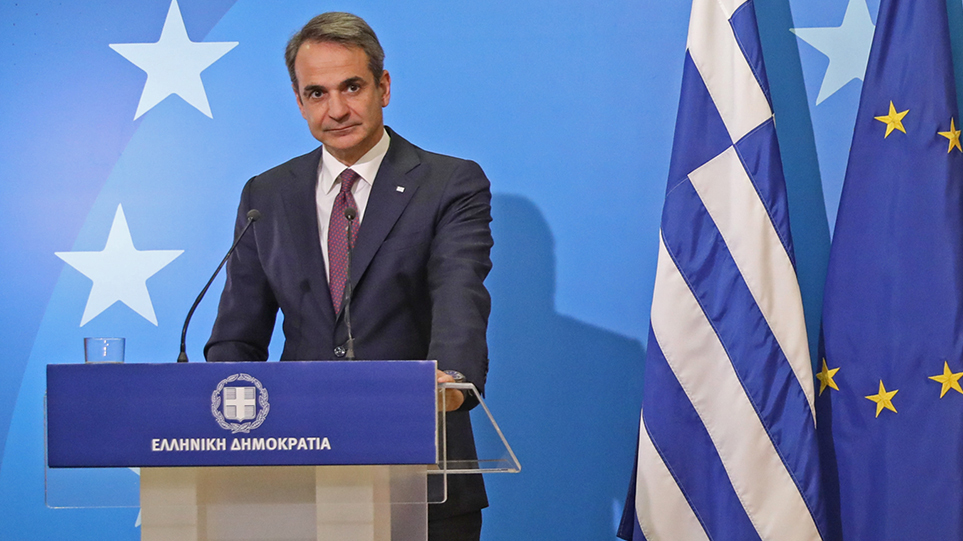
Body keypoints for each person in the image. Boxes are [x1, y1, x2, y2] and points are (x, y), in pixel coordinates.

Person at [204, 11, 493, 541]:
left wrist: (451, 381)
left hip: (419, 463)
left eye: (352, 87)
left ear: (384, 87)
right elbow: (236, 336)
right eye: (316, 93)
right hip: (295, 468)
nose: (336, 110)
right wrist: (224, 421)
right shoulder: (266, 195)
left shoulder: (449, 183)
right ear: (299, 102)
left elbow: (459, 292)